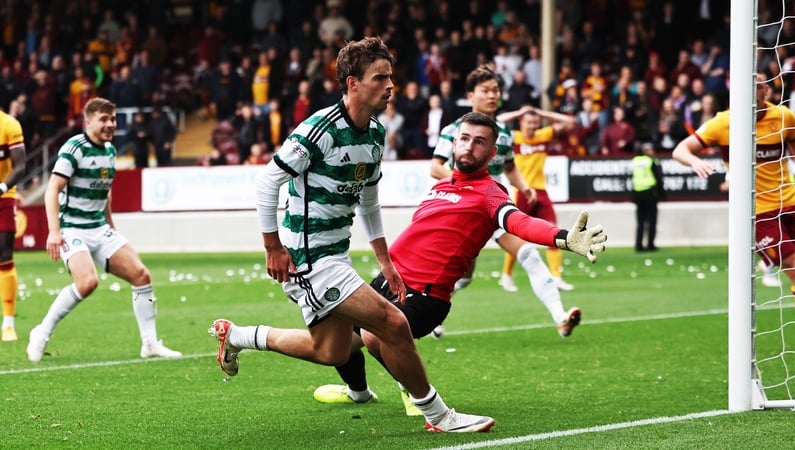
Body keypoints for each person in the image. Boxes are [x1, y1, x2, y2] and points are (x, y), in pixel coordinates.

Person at [208, 37, 495, 433]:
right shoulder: (319, 130)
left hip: (334, 253)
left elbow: (370, 201)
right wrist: (272, 246)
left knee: (332, 350)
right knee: (392, 323)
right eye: (380, 78)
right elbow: (267, 181)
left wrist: (384, 260)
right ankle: (439, 416)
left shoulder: (375, 134)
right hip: (306, 255)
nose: (390, 85)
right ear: (351, 83)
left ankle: (238, 336)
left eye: (391, 77)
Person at [312, 111, 607, 416]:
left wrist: (562, 238)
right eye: (464, 139)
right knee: (335, 335)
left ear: (492, 152)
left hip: (423, 294)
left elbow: (519, 222)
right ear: (454, 143)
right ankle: (359, 393)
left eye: (479, 142)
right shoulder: (441, 187)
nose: (469, 146)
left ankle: (417, 394)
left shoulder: (491, 194)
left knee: (377, 334)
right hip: (390, 280)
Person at [430, 65, 581, 338]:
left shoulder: (504, 132)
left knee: (530, 255)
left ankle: (561, 318)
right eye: (486, 90)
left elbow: (509, 166)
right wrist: (465, 186)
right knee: (461, 275)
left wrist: (524, 186)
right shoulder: (454, 130)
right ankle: (431, 317)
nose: (492, 95)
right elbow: (436, 167)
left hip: (493, 207)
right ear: (471, 95)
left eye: (496, 90)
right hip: (463, 212)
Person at [27, 97, 182, 362]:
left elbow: (105, 194)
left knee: (141, 276)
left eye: (113, 119)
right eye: (104, 119)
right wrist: (55, 231)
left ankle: (150, 344)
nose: (110, 124)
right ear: (88, 122)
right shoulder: (74, 148)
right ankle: (41, 332)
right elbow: (52, 189)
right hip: (73, 228)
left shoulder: (110, 151)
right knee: (87, 283)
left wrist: (112, 229)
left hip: (99, 228)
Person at [673, 72, 795, 304]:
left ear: (767, 91)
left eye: (758, 86)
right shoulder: (723, 123)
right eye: (747, 86)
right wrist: (695, 161)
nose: (753, 90)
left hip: (792, 201)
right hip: (758, 210)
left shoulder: (785, 118)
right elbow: (680, 150)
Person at [497, 107, 577, 293]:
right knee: (515, 237)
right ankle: (506, 275)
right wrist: (518, 113)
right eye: (529, 122)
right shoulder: (514, 137)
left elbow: (569, 122)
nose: (533, 125)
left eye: (535, 122)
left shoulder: (543, 134)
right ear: (521, 123)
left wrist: (542, 114)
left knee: (553, 232)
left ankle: (556, 277)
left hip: (541, 191)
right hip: (521, 192)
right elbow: (497, 121)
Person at [0, 108, 25, 342]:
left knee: (4, 254)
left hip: (3, 197)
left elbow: (20, 165)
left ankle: (8, 323)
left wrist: (2, 188)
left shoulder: (9, 125)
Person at [631, 143, 665, 252]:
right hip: (650, 193)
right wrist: (662, 194)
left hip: (638, 193)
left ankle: (638, 245)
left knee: (640, 221)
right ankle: (650, 244)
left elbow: (631, 177)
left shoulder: (635, 161)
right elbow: (659, 178)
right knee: (651, 220)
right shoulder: (651, 161)